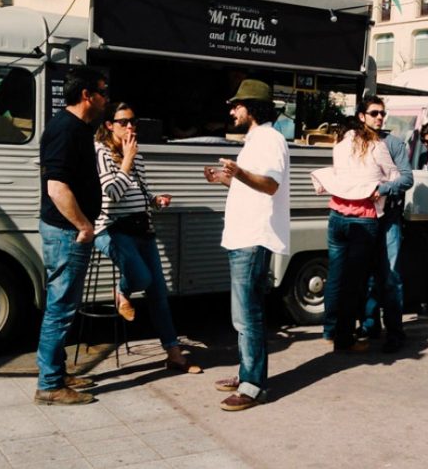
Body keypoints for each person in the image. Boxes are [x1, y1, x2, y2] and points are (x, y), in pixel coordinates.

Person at [93, 102, 201, 374]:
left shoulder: (136, 156)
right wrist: (127, 158)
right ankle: (121, 292)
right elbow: (113, 193)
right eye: (122, 122)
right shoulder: (101, 152)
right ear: (109, 125)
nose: (130, 127)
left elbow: (139, 192)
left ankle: (174, 354)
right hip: (112, 228)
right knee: (141, 278)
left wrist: (155, 200)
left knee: (158, 293)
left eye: (133, 121)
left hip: (141, 228)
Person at [204, 79, 289, 412]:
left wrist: (237, 172)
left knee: (248, 315)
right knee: (242, 314)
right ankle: (246, 374)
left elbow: (269, 185)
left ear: (252, 108)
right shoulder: (256, 139)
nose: (232, 109)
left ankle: (254, 386)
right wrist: (225, 178)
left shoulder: (269, 139)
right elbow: (252, 183)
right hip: (243, 236)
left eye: (237, 105)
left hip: (254, 237)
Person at [34, 66, 107, 406]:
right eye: (102, 92)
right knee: (60, 307)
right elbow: (56, 187)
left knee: (63, 305)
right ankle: (49, 385)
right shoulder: (66, 129)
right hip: (67, 232)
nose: (106, 99)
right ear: (87, 95)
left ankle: (58, 373)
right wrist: (84, 226)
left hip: (67, 231)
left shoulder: (77, 127)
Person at [311, 115, 398, 353]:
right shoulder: (376, 146)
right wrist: (378, 186)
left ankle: (330, 330)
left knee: (336, 276)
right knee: (355, 281)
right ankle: (344, 337)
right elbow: (394, 177)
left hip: (336, 216)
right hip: (363, 217)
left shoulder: (338, 147)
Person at [358, 96, 413, 353]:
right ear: (362, 116)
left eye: (382, 113)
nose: (379, 117)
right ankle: (370, 325)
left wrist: (383, 188)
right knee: (368, 275)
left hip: (389, 216)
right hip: (365, 215)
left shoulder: (394, 143)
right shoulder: (356, 143)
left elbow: (407, 178)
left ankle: (395, 332)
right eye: (374, 113)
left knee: (391, 276)